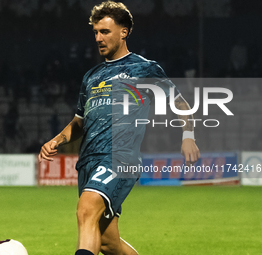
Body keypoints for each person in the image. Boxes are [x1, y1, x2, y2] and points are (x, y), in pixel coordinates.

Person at [39, 1, 200, 255]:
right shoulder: (91, 76)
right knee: (107, 242)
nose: (98, 38)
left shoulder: (145, 68)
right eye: (95, 32)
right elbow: (79, 122)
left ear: (124, 32)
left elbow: (180, 103)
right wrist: (57, 139)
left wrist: (188, 135)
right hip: (88, 162)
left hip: (119, 157)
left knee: (86, 209)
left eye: (105, 32)